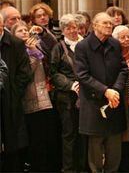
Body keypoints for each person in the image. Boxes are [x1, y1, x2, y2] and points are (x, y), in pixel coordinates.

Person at [75, 12, 128, 173]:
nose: (109, 25)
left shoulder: (115, 44)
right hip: (93, 103)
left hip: (114, 101)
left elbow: (123, 69)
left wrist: (116, 91)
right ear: (95, 25)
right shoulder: (83, 46)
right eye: (105, 23)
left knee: (114, 149)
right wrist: (105, 91)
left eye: (110, 23)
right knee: (96, 150)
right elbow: (82, 75)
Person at [11, 21, 59, 172]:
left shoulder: (36, 45)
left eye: (26, 29)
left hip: (46, 96)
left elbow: (53, 48)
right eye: (20, 31)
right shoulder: (16, 51)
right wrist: (33, 54)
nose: (25, 32)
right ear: (13, 35)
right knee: (36, 140)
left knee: (49, 138)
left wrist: (43, 32)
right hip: (30, 99)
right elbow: (25, 74)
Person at [51, 14, 87, 173]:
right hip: (67, 98)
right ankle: (69, 169)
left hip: (87, 96)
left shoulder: (85, 44)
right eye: (68, 28)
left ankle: (83, 167)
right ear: (63, 30)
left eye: (75, 27)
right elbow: (54, 73)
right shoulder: (58, 47)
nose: (73, 30)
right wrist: (71, 85)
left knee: (85, 134)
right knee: (69, 135)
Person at [0, 14, 32, 172]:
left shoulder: (16, 44)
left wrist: (12, 93)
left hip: (10, 100)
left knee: (12, 142)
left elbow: (24, 73)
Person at [111, 25, 129, 172]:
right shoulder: (112, 53)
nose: (127, 39)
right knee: (123, 136)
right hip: (120, 99)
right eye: (122, 37)